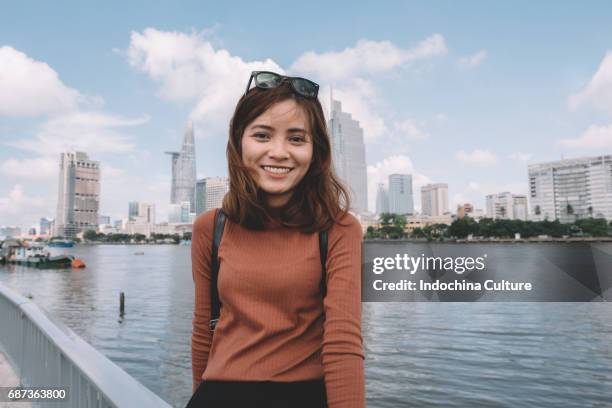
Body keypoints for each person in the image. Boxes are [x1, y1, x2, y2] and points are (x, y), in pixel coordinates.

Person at [187, 71, 365, 408]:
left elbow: (343, 344)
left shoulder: (339, 229)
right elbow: (202, 331)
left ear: (315, 151)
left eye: (297, 139)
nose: (279, 152)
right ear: (240, 142)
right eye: (262, 135)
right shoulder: (211, 227)